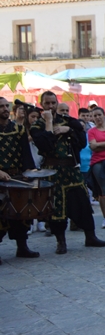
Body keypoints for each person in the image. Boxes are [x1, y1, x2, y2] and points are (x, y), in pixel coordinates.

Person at [30, 91, 105, 254]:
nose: (51, 106)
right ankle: (61, 241)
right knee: (56, 207)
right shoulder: (37, 126)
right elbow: (46, 145)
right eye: (47, 103)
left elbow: (80, 136)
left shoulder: (67, 120)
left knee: (83, 202)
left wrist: (68, 130)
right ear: (42, 104)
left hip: (71, 169)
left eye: (53, 103)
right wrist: (49, 123)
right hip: (52, 171)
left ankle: (90, 236)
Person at [0, 97, 39, 262]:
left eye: (5, 106)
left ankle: (22, 247)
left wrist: (29, 172)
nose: (4, 109)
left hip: (17, 176)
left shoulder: (19, 129)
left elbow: (25, 154)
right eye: (0, 106)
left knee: (21, 212)